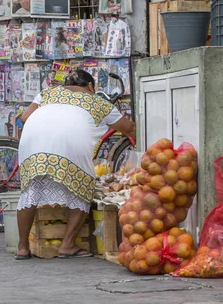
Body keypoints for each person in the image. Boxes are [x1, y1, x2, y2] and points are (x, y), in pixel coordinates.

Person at [15, 69, 135, 260]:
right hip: (67, 145)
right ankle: (67, 245)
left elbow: (24, 118)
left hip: (32, 143)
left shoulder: (47, 93)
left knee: (30, 191)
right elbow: (128, 129)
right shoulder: (98, 103)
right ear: (90, 87)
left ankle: (22, 247)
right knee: (83, 187)